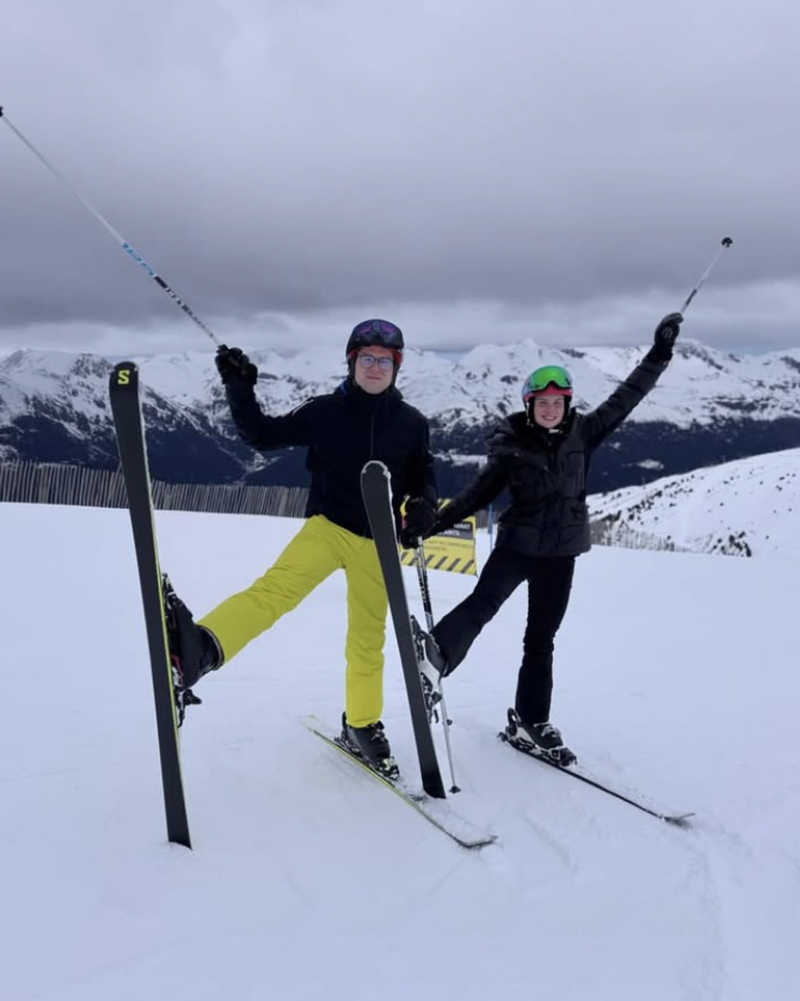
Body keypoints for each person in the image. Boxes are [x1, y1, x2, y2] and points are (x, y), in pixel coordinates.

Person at [168, 318, 439, 777]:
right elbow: (260, 435)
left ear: (397, 367)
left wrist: (425, 507)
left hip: (379, 544)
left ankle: (362, 723)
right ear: (352, 362)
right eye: (367, 359)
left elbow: (423, 478)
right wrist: (238, 386)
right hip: (329, 527)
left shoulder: (412, 424)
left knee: (367, 642)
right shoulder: (324, 412)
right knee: (274, 592)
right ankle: (202, 648)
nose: (375, 368)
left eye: (385, 361)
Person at [412, 312, 684, 762]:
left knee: (541, 639)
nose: (551, 408)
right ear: (530, 406)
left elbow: (629, 395)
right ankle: (435, 657)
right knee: (482, 606)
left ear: (568, 405)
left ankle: (530, 719)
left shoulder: (585, 433)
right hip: (518, 547)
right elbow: (475, 496)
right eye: (543, 403)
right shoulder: (511, 448)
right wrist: (432, 525)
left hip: (562, 555)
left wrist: (660, 352)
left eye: (558, 402)